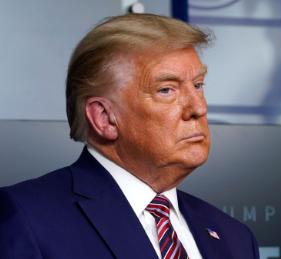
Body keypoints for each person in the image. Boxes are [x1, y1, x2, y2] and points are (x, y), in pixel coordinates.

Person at [0, 14, 259, 259]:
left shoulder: (234, 238)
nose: (198, 108)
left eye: (198, 85)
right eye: (167, 90)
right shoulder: (25, 216)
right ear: (104, 117)